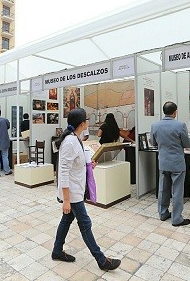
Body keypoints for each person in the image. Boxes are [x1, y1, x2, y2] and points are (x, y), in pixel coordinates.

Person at [52, 108, 121, 271]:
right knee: (85, 223)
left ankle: (56, 251)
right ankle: (102, 260)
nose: (87, 123)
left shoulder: (76, 138)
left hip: (77, 189)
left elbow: (77, 164)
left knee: (67, 220)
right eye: (86, 120)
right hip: (73, 193)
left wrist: (89, 166)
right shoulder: (70, 142)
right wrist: (67, 200)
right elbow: (63, 172)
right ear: (82, 123)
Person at [151, 102, 190, 226]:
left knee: (163, 189)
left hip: (163, 162)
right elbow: (187, 144)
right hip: (177, 164)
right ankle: (176, 219)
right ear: (175, 112)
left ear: (164, 111)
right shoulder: (180, 125)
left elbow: (153, 143)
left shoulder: (155, 125)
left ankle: (163, 214)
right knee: (177, 192)